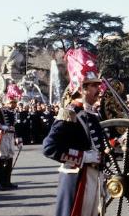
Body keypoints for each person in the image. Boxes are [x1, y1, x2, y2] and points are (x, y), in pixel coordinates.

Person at [43, 48, 105, 216]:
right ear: (82, 87)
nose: (99, 90)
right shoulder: (69, 113)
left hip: (94, 177)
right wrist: (83, 157)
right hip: (76, 179)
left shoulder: (91, 113)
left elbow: (98, 143)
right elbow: (50, 148)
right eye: (94, 86)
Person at [0, 83, 23, 190]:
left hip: (11, 138)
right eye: (13, 102)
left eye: (15, 102)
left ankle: (7, 181)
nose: (15, 104)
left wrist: (19, 140)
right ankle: (0, 183)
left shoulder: (14, 113)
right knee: (1, 159)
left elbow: (16, 127)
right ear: (8, 102)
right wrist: (2, 127)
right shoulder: (0, 111)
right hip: (2, 137)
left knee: (9, 158)